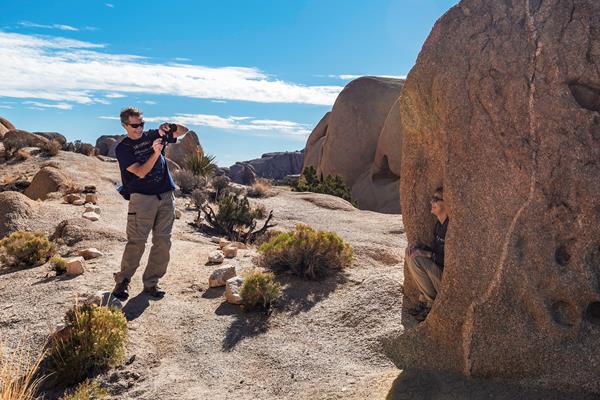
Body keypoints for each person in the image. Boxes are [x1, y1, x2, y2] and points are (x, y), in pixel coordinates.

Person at [111, 107, 189, 300]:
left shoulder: (153, 135)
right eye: (135, 125)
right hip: (141, 199)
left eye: (141, 124)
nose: (139, 128)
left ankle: (151, 283)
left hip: (165, 195)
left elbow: (183, 131)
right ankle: (123, 282)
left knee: (163, 241)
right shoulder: (124, 148)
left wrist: (170, 126)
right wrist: (156, 152)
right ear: (124, 126)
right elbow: (141, 172)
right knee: (136, 242)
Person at [405, 187, 449, 322]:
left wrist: (427, 254)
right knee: (411, 254)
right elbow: (436, 251)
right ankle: (424, 301)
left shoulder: (450, 226)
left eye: (436, 199)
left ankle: (430, 305)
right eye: (432, 198)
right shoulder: (438, 225)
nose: (432, 201)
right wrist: (420, 247)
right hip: (437, 273)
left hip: (447, 280)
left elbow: (451, 260)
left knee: (417, 258)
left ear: (447, 203)